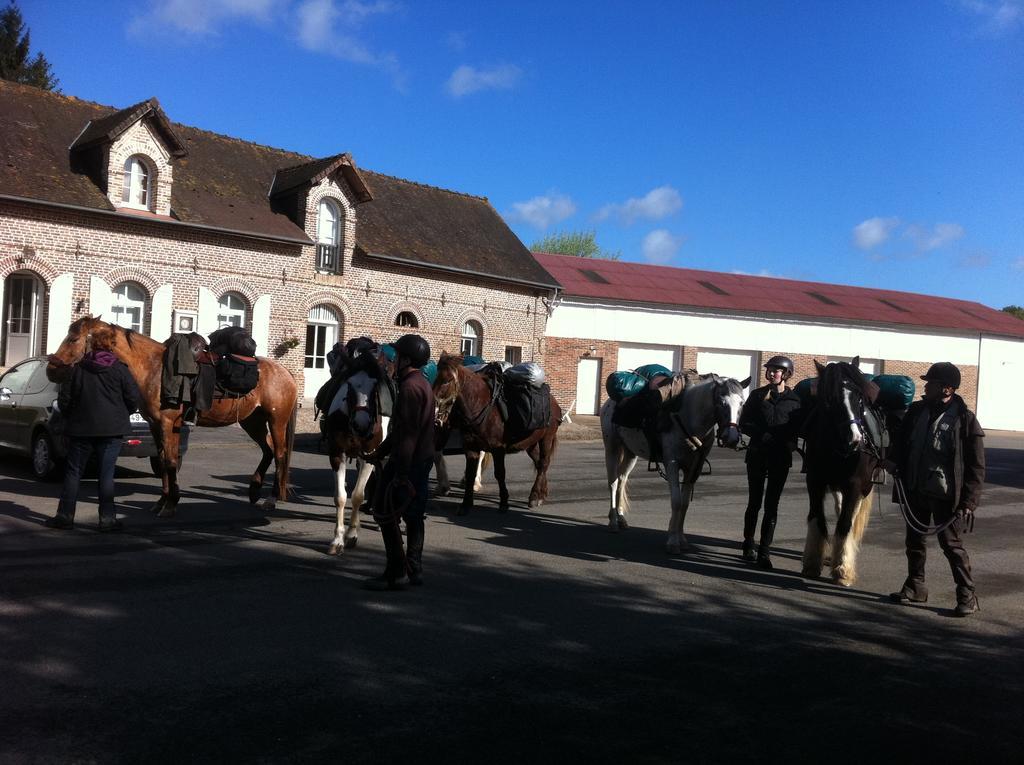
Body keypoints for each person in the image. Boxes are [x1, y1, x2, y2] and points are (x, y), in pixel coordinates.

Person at [885, 362, 984, 616]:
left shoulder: (965, 419)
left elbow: (976, 466)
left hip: (945, 496)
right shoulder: (917, 411)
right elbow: (902, 442)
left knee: (951, 545)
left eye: (931, 383)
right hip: (916, 488)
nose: (926, 386)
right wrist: (893, 460)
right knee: (914, 542)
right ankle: (915, 586)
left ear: (947, 389)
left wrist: (968, 502)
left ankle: (967, 594)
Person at [44, 338, 142, 532]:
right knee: (106, 475)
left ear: (91, 346)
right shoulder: (120, 369)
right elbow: (133, 398)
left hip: (81, 429)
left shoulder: (77, 369)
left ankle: (65, 516)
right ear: (111, 347)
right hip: (112, 430)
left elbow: (64, 402)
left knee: (73, 473)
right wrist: (122, 413)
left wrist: (73, 415)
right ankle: (107, 519)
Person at [363, 334, 435, 591]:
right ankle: (414, 569)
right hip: (419, 459)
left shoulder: (409, 388)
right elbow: (401, 431)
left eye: (396, 357)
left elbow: (408, 435)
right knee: (415, 515)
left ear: (406, 359)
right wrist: (379, 452)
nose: (392, 362)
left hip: (408, 462)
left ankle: (397, 572)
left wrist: (401, 472)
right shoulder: (421, 382)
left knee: (384, 512)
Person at [738, 355, 802, 569]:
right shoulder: (757, 396)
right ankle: (748, 544)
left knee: (771, 506)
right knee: (754, 503)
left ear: (786, 374)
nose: (772, 373)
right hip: (757, 454)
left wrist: (792, 441)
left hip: (780, 458)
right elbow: (744, 422)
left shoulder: (795, 401)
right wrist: (760, 434)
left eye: (777, 370)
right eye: (770, 370)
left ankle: (764, 552)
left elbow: (797, 428)